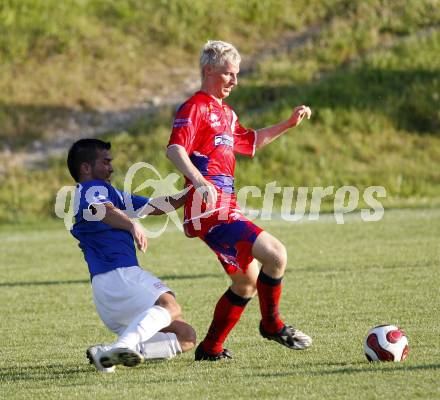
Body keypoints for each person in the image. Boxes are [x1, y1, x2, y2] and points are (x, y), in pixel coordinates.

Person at [166, 40, 312, 361]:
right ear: (208, 71)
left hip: (224, 206)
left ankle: (209, 349)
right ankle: (272, 324)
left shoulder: (226, 114)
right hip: (208, 209)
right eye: (228, 74)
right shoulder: (196, 107)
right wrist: (199, 180)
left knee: (246, 283)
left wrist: (288, 124)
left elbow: (253, 141)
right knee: (275, 254)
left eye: (237, 75)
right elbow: (175, 150)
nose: (235, 81)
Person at [67, 138, 196, 372]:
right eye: (105, 162)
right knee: (170, 305)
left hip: (108, 292)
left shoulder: (109, 193)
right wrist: (131, 225)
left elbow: (156, 205)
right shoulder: (90, 189)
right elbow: (102, 211)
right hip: (119, 276)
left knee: (186, 337)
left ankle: (108, 352)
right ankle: (125, 344)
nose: (111, 167)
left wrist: (195, 188)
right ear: (85, 168)